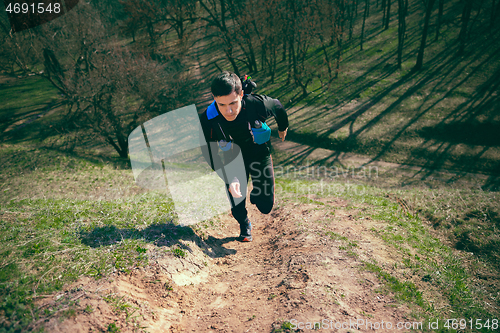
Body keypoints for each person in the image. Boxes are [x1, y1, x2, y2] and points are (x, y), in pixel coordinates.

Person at [199, 71, 289, 242]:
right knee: (236, 199)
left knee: (265, 206)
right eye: (222, 105)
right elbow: (210, 154)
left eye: (233, 103)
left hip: (259, 154)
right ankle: (244, 224)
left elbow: (277, 106)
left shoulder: (256, 104)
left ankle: (256, 193)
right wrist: (228, 178)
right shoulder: (208, 119)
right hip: (232, 159)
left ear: (241, 94)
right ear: (214, 98)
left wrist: (282, 127)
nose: (229, 110)